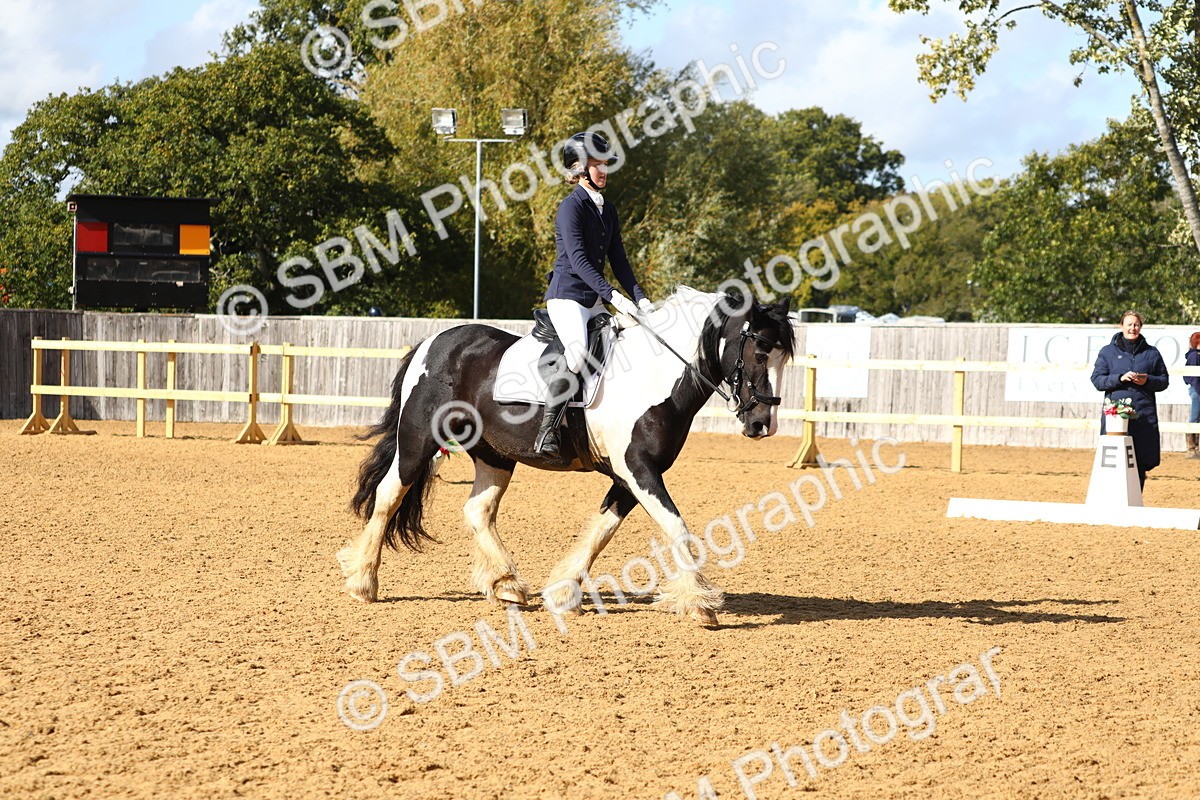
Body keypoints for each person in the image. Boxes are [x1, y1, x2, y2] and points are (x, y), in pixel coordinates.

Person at [535, 131, 653, 456]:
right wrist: (614, 297)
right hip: (567, 296)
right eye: (596, 164)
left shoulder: (607, 209)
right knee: (576, 354)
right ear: (579, 169)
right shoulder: (570, 208)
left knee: (629, 338)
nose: (603, 170)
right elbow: (580, 262)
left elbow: (619, 260)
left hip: (594, 298)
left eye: (605, 164)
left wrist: (641, 299)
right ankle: (547, 432)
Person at [1090, 310, 1169, 488]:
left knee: (1140, 460)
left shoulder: (1152, 353)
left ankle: (1136, 501)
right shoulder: (1107, 352)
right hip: (1116, 416)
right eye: (1129, 324)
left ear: (1140, 327)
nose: (1133, 328)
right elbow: (1097, 380)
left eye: (1136, 325)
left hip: (1143, 414)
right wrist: (1119, 378)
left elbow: (1164, 381)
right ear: (1122, 326)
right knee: (1115, 461)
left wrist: (1147, 380)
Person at [1186, 332, 1200, 458]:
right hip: (1197, 390)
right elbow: (1193, 376)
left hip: (1197, 389)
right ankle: (1191, 448)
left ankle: (1195, 448)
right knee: (1194, 418)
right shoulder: (1195, 356)